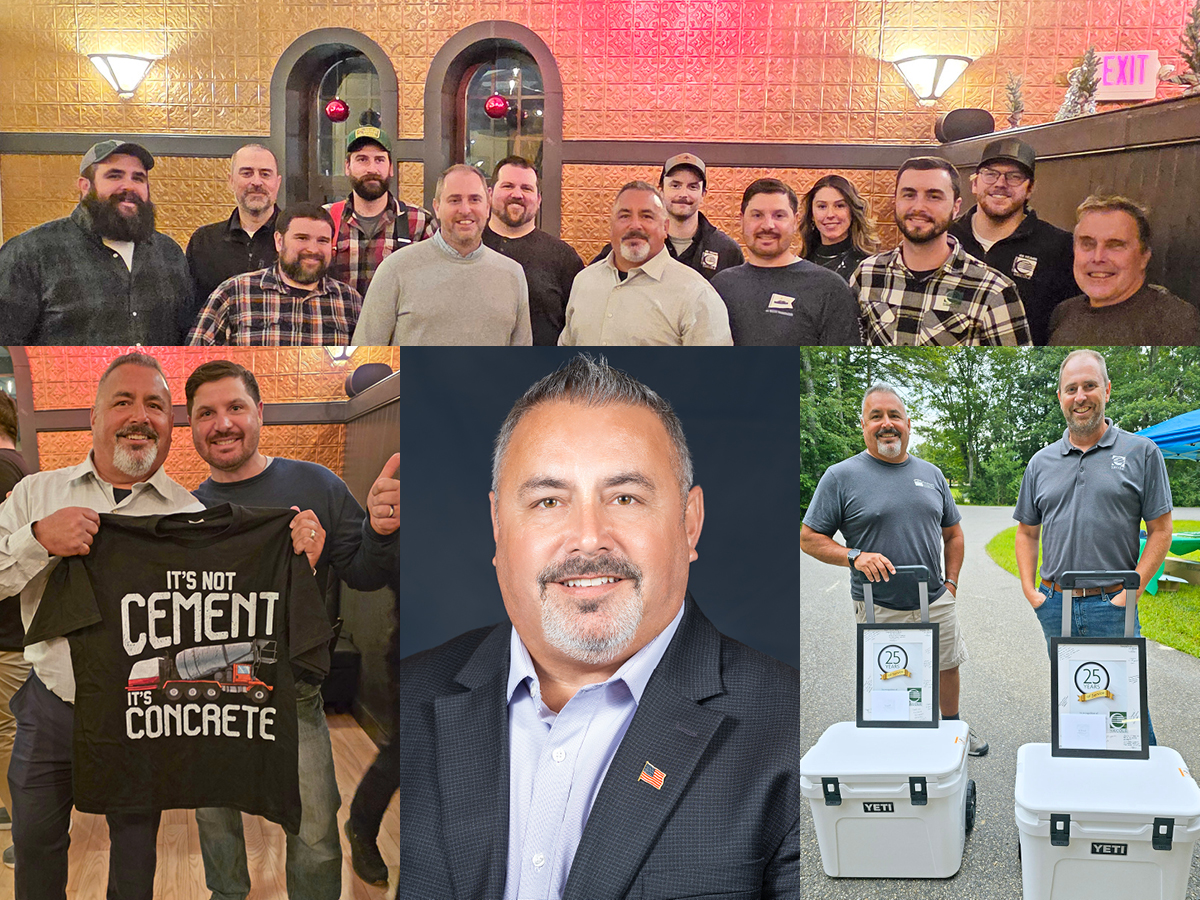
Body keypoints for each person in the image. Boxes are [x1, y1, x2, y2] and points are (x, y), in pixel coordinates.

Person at [393, 355, 800, 898]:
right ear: (497, 527)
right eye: (548, 501)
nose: (588, 538)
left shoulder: (791, 731)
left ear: (689, 521)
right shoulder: (414, 691)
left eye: (625, 497)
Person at [184, 358, 400, 900]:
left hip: (295, 689)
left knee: (316, 828)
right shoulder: (185, 511)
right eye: (205, 413)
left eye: (235, 407)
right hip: (209, 690)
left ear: (260, 412)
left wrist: (377, 529)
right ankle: (225, 893)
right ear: (192, 426)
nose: (222, 423)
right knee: (215, 819)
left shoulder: (316, 485)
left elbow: (365, 573)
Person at [0, 353, 204, 899]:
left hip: (144, 711)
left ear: (170, 426)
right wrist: (37, 539)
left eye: (155, 405)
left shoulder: (191, 517)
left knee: (136, 848)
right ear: (93, 417)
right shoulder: (35, 496)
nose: (140, 416)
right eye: (123, 401)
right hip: (49, 706)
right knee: (36, 838)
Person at [801, 382, 988, 756]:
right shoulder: (841, 477)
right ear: (863, 425)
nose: (887, 424)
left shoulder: (932, 474)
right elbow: (808, 537)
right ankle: (897, 742)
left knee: (946, 665)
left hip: (935, 598)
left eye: (894, 416)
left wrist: (951, 584)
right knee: (890, 674)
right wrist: (853, 555)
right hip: (879, 604)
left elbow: (954, 535)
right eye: (876, 417)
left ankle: (953, 732)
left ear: (907, 423)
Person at [1013, 349, 1172, 744]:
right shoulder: (1041, 462)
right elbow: (1027, 532)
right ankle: (1083, 787)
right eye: (1071, 388)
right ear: (1060, 396)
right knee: (1074, 699)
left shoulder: (1142, 453)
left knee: (1126, 707)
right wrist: (1031, 591)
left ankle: (1141, 791)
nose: (1080, 396)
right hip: (1055, 603)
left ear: (1107, 389)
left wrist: (1130, 590)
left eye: (1089, 385)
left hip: (1113, 604)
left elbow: (1161, 531)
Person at [0, 140, 191, 345]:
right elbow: (6, 350)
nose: (128, 186)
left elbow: (186, 339)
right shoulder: (30, 252)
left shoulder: (169, 253)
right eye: (114, 175)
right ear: (85, 186)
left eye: (138, 178)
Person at [852, 156, 1032, 346]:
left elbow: (1017, 374)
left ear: (956, 207)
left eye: (934, 196)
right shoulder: (867, 275)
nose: (919, 207)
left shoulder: (993, 291)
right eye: (909, 194)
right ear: (895, 201)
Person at [353, 164, 532, 345]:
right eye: (454, 200)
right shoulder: (395, 270)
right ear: (437, 207)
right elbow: (366, 357)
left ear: (487, 207)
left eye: (475, 199)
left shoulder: (513, 275)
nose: (465, 209)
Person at [560, 181, 732, 345]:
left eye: (646, 216)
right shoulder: (584, 281)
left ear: (665, 227)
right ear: (611, 225)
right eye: (624, 216)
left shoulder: (696, 295)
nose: (635, 225)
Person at [948, 138, 1078, 345]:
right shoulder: (946, 238)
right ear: (974, 183)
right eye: (990, 174)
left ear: (1030, 189)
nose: (1000, 183)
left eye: (1014, 176)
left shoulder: (1060, 247)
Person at [187, 202, 363, 345]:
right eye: (302, 238)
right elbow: (192, 363)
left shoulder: (350, 302)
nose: (312, 249)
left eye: (322, 241)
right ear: (279, 241)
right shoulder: (234, 294)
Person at [712, 177, 861, 345]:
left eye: (779, 215)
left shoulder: (829, 288)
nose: (768, 225)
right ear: (741, 220)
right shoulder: (720, 286)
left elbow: (839, 368)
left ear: (795, 221)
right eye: (757, 215)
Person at [1048, 195, 1200, 345]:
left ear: (1144, 257)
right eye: (1087, 244)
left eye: (1115, 245)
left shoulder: (1174, 322)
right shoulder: (1064, 312)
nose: (1098, 257)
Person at [590, 153, 744, 280]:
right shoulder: (633, 243)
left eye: (693, 187)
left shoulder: (727, 251)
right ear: (661, 190)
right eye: (675, 185)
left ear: (703, 194)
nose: (683, 194)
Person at [481, 156, 585, 345]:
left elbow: (578, 328)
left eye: (526, 188)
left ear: (538, 200)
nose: (517, 194)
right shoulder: (470, 248)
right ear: (489, 194)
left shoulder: (564, 258)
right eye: (508, 186)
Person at [324, 126, 437, 297]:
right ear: (347, 166)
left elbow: (435, 285)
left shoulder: (420, 222)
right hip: (339, 322)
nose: (372, 169)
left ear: (391, 167)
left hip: (397, 323)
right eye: (362, 160)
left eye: (379, 160)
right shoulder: (325, 219)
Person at [185, 144, 284, 324]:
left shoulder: (295, 242)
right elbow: (191, 312)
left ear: (278, 183)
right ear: (231, 181)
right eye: (246, 173)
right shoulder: (204, 242)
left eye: (265, 174)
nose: (256, 182)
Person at [0, 391, 33, 868]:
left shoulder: (5, 471)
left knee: (14, 732)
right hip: (16, 626)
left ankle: (29, 829)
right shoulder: (21, 469)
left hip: (7, 631)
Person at [799, 174, 881, 283]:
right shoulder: (799, 264)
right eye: (822, 206)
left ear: (852, 212)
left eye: (840, 206)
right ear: (812, 215)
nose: (830, 214)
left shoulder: (870, 266)